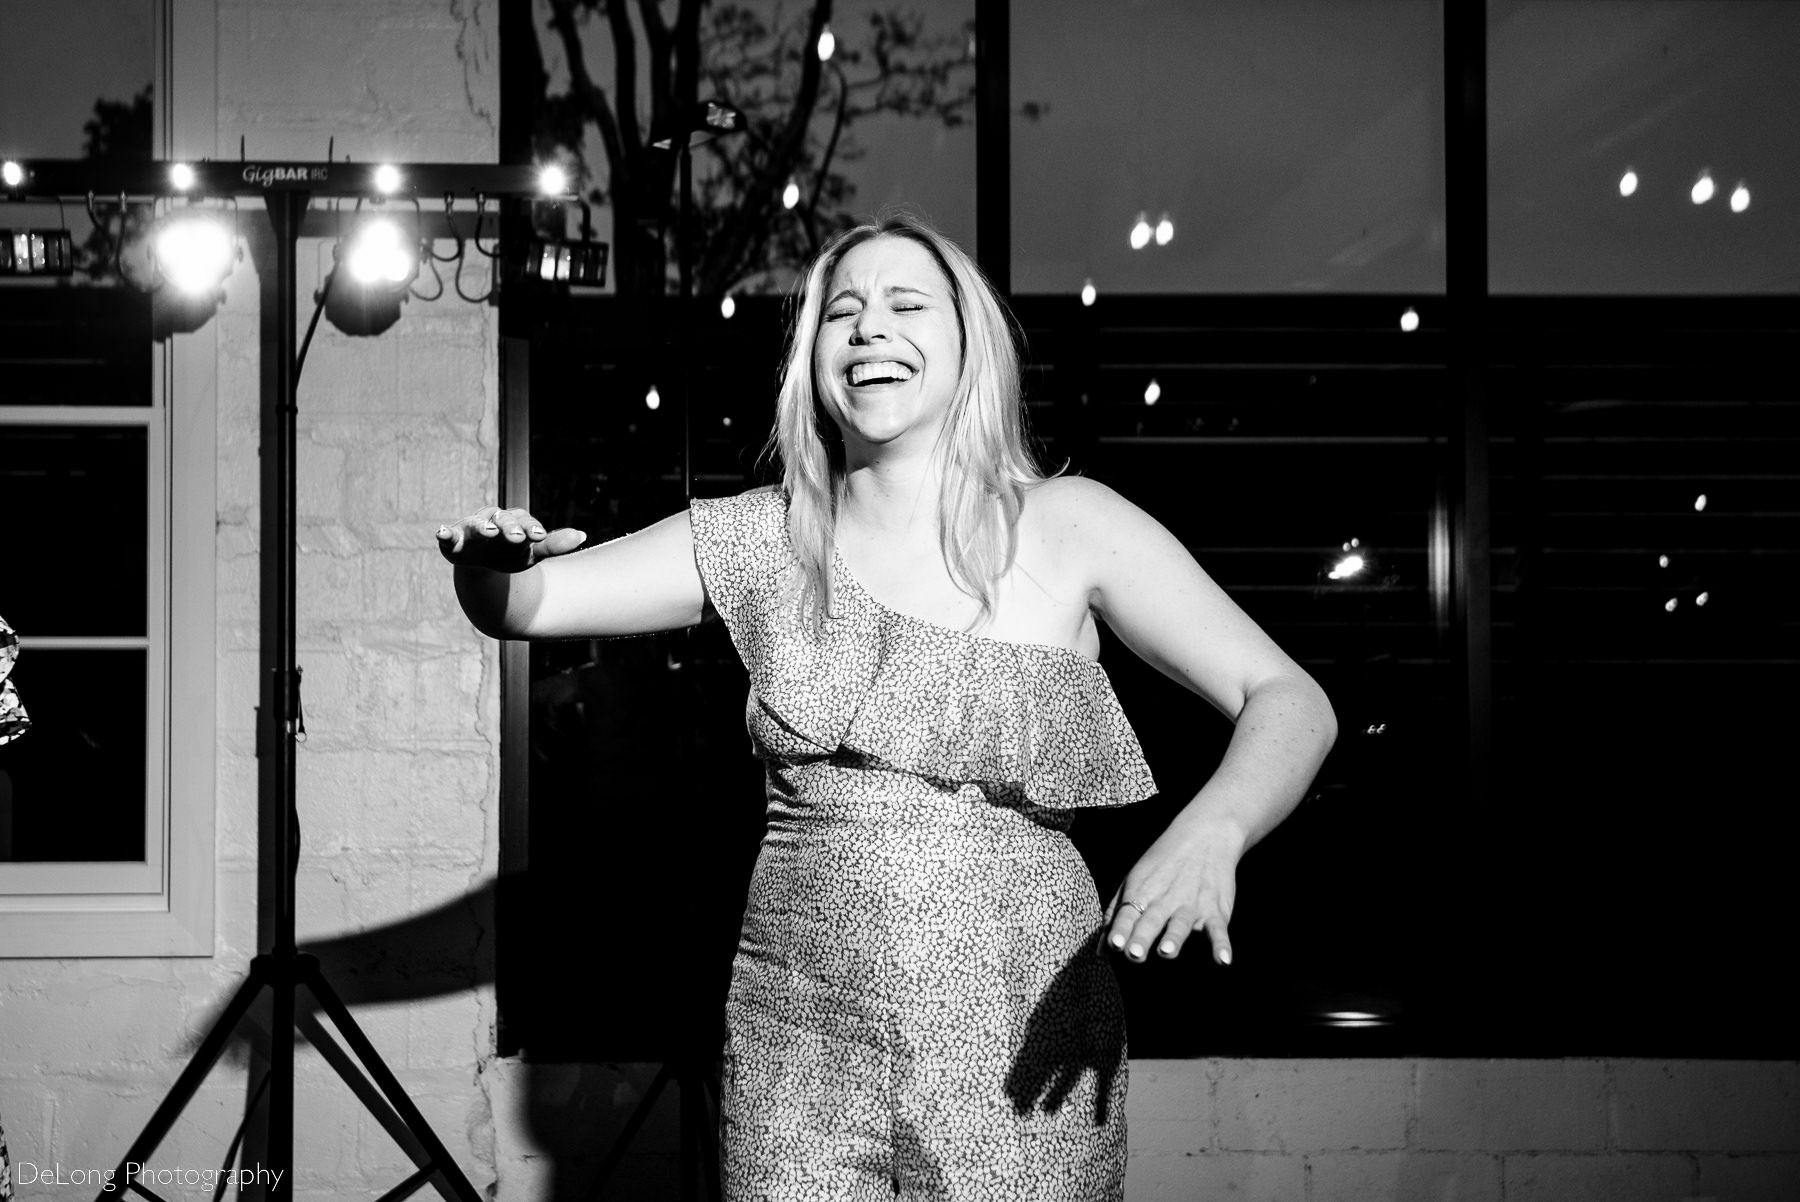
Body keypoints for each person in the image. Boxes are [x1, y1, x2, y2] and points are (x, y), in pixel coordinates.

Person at [438, 214, 1336, 1200]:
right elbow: (530, 604)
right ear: (812, 355)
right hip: (796, 1043)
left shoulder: (1072, 523)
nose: (870, 329)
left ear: (967, 342)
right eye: (842, 312)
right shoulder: (760, 538)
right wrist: (490, 568)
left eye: (906, 305)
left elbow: (1287, 696)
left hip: (1018, 1031)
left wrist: (1215, 828)